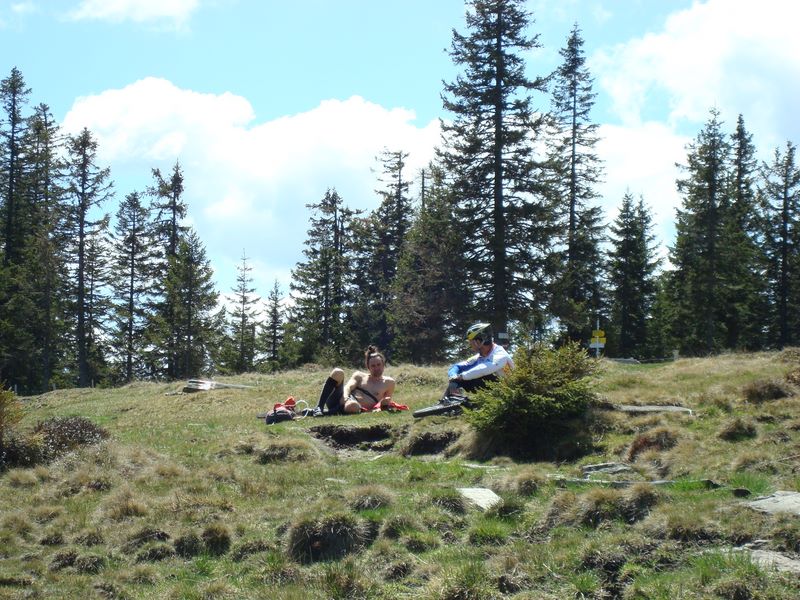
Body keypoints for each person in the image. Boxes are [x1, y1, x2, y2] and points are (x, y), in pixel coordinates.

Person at [314, 345, 397, 415]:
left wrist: (380, 407)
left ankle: (324, 413)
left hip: (355, 407)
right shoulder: (359, 376)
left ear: (383, 365)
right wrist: (345, 397)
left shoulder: (389, 383)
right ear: (368, 367)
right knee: (338, 372)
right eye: (373, 366)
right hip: (340, 399)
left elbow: (386, 402)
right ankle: (319, 408)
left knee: (353, 405)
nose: (376, 368)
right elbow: (348, 387)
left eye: (378, 365)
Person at [445, 322, 514, 398]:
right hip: (493, 390)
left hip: (508, 395)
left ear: (478, 342)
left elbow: (484, 369)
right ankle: (449, 401)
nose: (470, 345)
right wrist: (453, 376)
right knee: (456, 379)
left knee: (476, 375)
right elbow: (457, 366)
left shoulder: (500, 354)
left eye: (470, 341)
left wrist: (462, 376)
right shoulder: (479, 357)